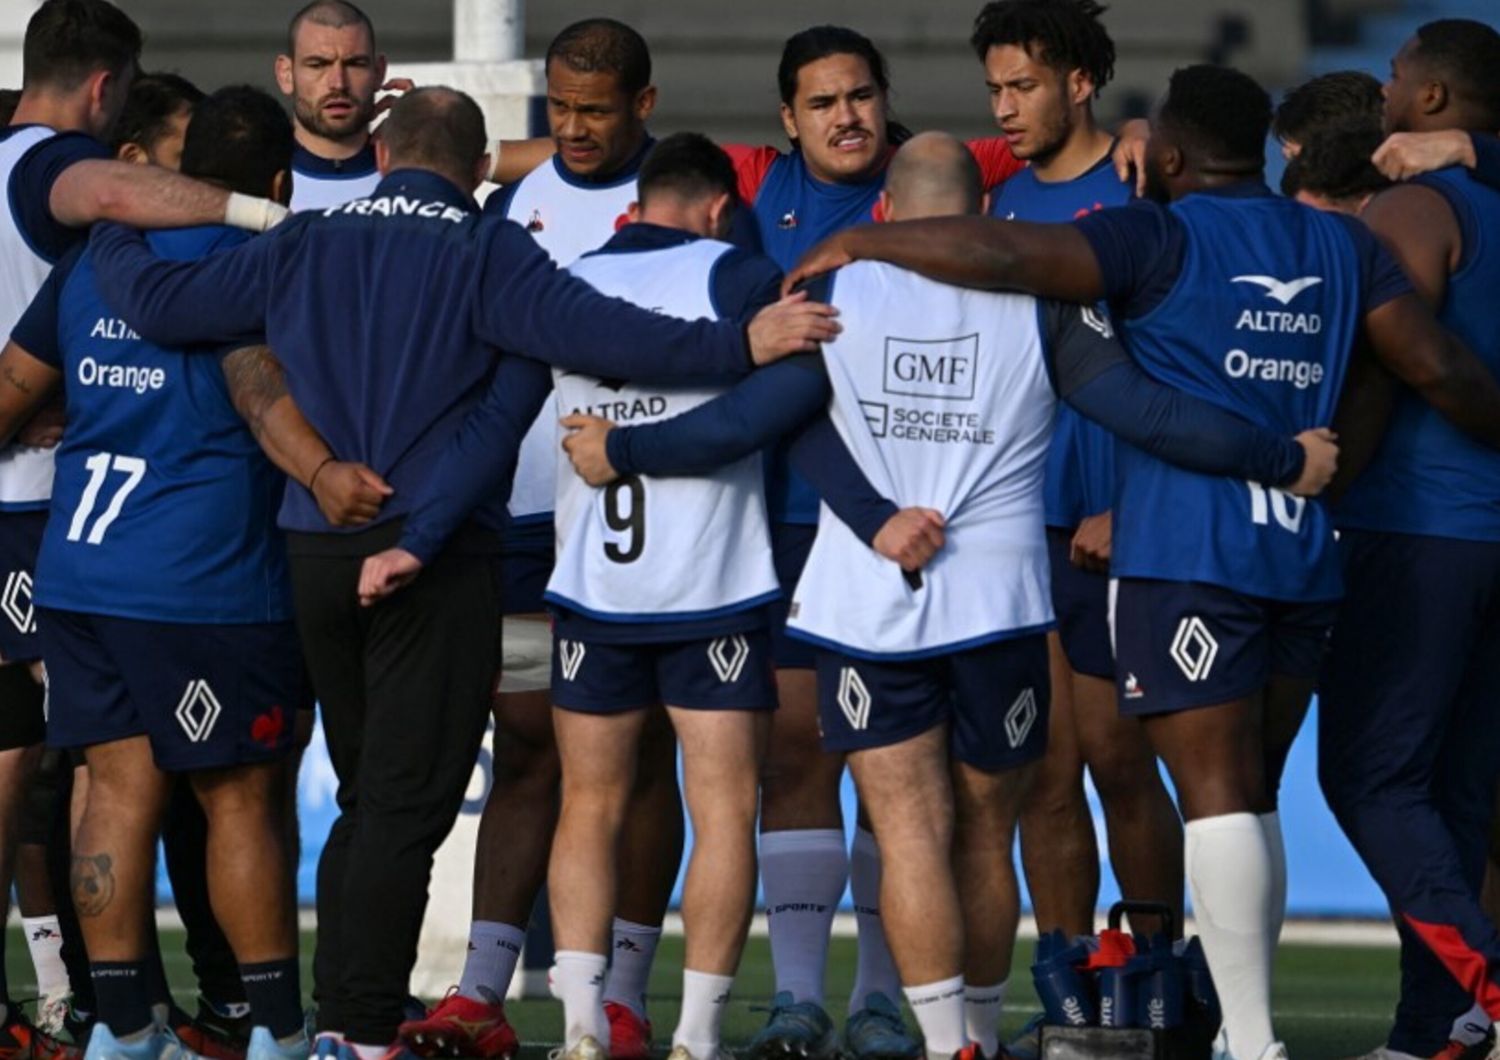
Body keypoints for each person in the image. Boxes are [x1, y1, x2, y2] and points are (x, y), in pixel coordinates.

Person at [541, 130, 1340, 1060]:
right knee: (986, 834)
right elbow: (1144, 410)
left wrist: (636, 455)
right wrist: (1280, 459)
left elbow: (769, 421)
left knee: (910, 833)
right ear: (988, 217)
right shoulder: (1046, 300)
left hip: (867, 604)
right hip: (1000, 606)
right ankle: (982, 1038)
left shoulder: (829, 289)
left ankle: (942, 1044)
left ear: (882, 213)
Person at [84, 85, 838, 1059]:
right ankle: (358, 1031)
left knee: (367, 793)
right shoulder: (490, 248)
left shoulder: (306, 238)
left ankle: (334, 1020)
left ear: (383, 157)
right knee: (407, 800)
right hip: (427, 559)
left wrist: (105, 213)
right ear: (484, 170)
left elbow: (156, 302)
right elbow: (607, 334)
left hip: (313, 544)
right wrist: (738, 342)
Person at [783, 63, 1500, 1060]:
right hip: (1301, 555)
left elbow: (1002, 250)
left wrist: (865, 233)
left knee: (1215, 794)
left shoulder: (1152, 236)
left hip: (1187, 554)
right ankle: (1252, 1031)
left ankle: (1250, 1043)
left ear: (1166, 154)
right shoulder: (1345, 242)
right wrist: (1327, 465)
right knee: (1248, 791)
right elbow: (1430, 367)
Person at [0, 84, 328, 1060]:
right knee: (238, 798)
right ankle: (275, 1027)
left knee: (112, 789)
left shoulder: (97, 259)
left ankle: (124, 1027)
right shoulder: (269, 263)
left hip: (80, 574)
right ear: (279, 181)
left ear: (183, 178)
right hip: (202, 580)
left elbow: (9, 393)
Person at [399, 22, 684, 1059]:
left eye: (594, 108)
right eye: (558, 106)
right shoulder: (515, 202)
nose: (571, 126)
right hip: (524, 517)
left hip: (645, 525)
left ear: (642, 106)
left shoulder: (690, 200)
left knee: (640, 755)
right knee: (524, 748)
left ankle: (629, 997)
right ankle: (480, 991)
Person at [969, 8, 1182, 1054]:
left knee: (1118, 760)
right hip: (1020, 527)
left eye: (1022, 87)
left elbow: (1188, 369)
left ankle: (1157, 982)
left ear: (1083, 83)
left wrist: (1131, 503)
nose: (1004, 108)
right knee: (1045, 772)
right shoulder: (1000, 199)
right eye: (995, 89)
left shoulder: (1150, 190)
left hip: (1122, 523)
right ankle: (1070, 1001)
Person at [1318, 20, 1500, 1059]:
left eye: (1395, 78)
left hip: (1416, 529)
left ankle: (1486, 984)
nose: (1384, 91)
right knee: (1457, 795)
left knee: (1371, 779)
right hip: (1490, 538)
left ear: (1432, 101)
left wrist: (1323, 474)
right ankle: (1433, 1025)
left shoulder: (1410, 209)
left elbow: (1390, 359)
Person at [277, 0, 402, 212]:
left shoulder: (414, 178)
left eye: (355, 64)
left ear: (379, 73)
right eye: (317, 65)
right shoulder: (250, 180)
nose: (338, 84)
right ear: (286, 75)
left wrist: (428, 140)